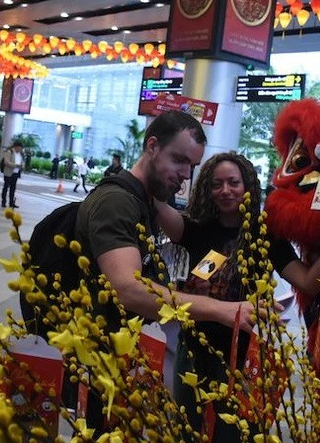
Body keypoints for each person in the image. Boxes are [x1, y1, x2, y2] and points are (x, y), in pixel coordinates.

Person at [73, 111, 262, 434]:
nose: (185, 174)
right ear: (152, 146)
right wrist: (223, 310)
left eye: (191, 166)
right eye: (178, 160)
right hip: (103, 358)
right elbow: (128, 289)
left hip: (126, 356)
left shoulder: (142, 200)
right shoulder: (118, 201)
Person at [154, 152, 320, 440]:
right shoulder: (198, 228)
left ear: (248, 185)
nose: (225, 191)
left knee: (233, 434)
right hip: (193, 349)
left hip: (243, 358)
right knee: (186, 431)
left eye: (233, 182)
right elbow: (159, 207)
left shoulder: (265, 234)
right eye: (216, 184)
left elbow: (309, 283)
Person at [0, 141, 24, 208]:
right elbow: (6, 162)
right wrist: (16, 165)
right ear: (16, 147)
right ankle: (3, 202)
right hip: (8, 173)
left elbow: (22, 162)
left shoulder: (20, 154)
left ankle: (11, 203)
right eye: (19, 148)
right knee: (5, 188)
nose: (20, 150)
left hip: (16, 173)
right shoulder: (9, 152)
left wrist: (22, 165)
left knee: (13, 189)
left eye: (21, 149)